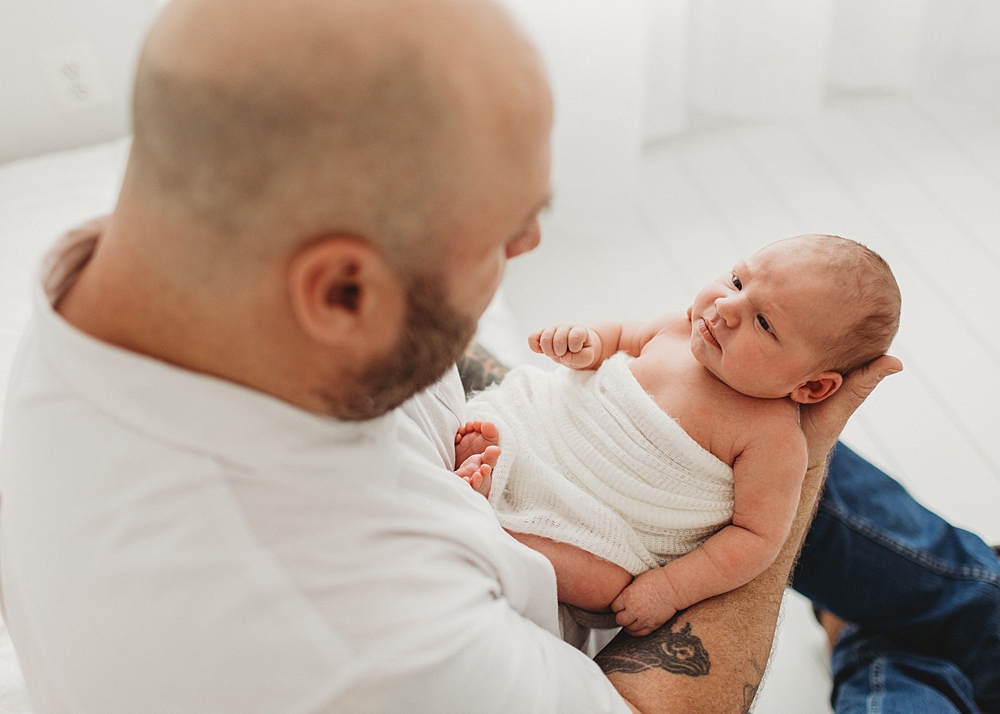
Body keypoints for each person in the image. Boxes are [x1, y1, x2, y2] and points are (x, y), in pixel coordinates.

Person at [0, 0, 991, 712]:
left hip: (555, 468)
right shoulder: (346, 644)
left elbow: (450, 367)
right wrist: (805, 444)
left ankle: (937, 624)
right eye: (507, 232)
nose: (527, 254)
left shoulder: (161, 261)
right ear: (344, 292)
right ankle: (906, 652)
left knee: (716, 419)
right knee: (781, 475)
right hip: (589, 564)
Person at [454, 235, 901, 637]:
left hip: (600, 528)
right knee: (507, 418)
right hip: (553, 438)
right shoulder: (678, 329)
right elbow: (621, 338)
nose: (725, 307)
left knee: (607, 586)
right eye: (738, 281)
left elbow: (755, 538)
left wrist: (670, 588)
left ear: (812, 387)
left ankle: (505, 531)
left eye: (764, 323)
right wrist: (585, 343)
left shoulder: (775, 440)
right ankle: (498, 463)